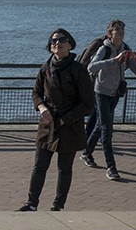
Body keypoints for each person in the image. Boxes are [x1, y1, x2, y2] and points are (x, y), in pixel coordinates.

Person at [17, 28, 94, 212]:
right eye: (53, 41)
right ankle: (32, 203)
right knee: (39, 166)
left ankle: (58, 206)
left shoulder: (78, 70)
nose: (57, 43)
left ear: (70, 44)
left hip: (70, 126)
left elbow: (88, 104)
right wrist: (42, 107)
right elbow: (36, 92)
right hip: (48, 124)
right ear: (50, 47)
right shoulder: (45, 68)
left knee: (64, 168)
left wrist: (66, 119)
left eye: (61, 40)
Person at [81, 19, 136, 180]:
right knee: (106, 128)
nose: (121, 31)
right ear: (110, 33)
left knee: (100, 125)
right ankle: (111, 167)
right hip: (101, 92)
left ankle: (86, 152)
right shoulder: (104, 48)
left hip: (115, 93)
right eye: (117, 29)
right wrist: (113, 60)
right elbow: (91, 67)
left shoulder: (126, 49)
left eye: (122, 28)